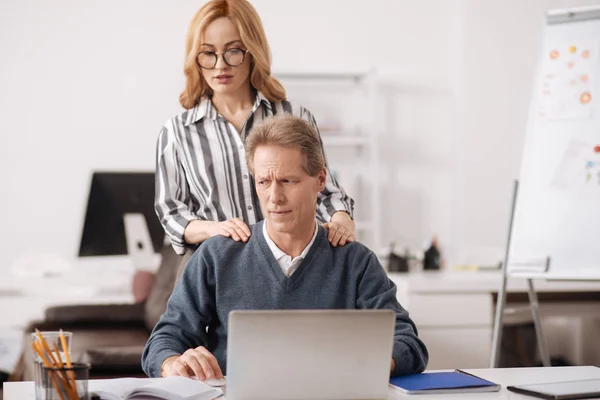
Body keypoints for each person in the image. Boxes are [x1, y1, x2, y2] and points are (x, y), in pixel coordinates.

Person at [142, 115, 429, 380]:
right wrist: (172, 363)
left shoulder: (355, 261)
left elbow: (408, 343)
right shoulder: (217, 255)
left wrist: (363, 367)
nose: (274, 197)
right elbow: (164, 339)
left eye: (287, 181)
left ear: (319, 180)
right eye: (264, 182)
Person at [154, 0, 355, 274]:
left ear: (253, 52)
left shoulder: (293, 116)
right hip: (216, 271)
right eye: (208, 53)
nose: (220, 65)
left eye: (233, 51)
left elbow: (325, 191)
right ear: (195, 58)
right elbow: (172, 213)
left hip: (291, 267)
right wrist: (214, 229)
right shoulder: (177, 132)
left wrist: (342, 219)